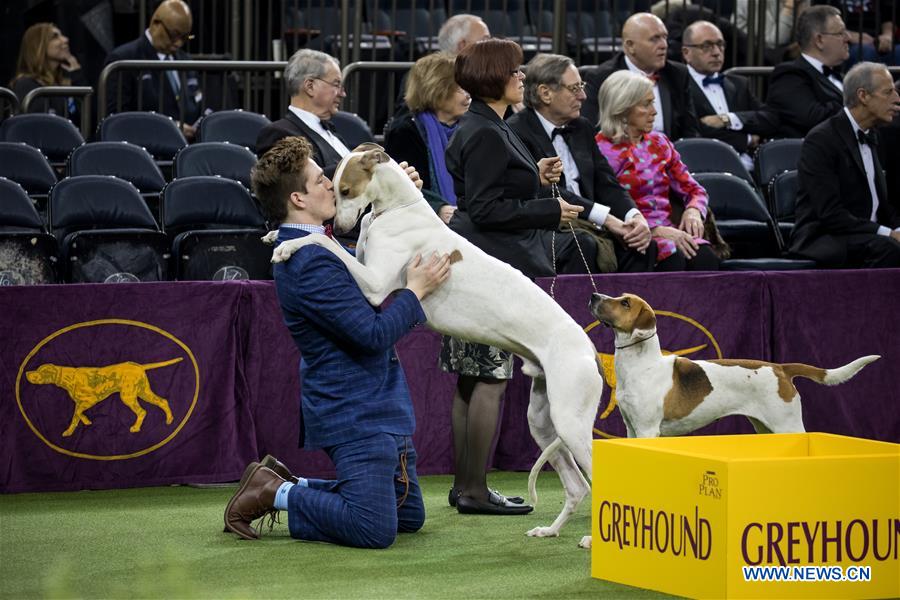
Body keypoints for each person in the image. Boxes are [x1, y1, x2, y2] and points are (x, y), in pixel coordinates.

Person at [224, 135, 452, 548]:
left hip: (378, 406)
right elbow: (372, 334)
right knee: (373, 530)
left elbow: (364, 259)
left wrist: (391, 189)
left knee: (408, 517)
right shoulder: (306, 261)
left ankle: (287, 482)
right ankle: (276, 493)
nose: (330, 183)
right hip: (355, 411)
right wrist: (415, 292)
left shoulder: (319, 246)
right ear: (297, 198)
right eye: (319, 181)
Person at [441, 39, 586, 516]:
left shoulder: (488, 125)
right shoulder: (485, 131)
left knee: (475, 375)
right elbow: (484, 208)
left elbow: (496, 187)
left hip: (478, 267)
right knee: (489, 378)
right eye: (516, 72)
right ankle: (476, 491)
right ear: (494, 77)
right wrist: (550, 209)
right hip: (490, 270)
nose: (522, 77)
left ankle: (467, 486)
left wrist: (534, 176)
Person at [507, 53, 656, 273]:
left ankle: (632, 307)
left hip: (591, 225)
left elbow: (606, 182)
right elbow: (550, 191)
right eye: (575, 88)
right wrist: (607, 219)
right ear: (545, 93)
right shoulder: (517, 131)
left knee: (643, 244)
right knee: (583, 244)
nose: (584, 96)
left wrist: (634, 217)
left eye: (582, 86)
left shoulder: (582, 127)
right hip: (549, 226)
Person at [596, 70, 723, 272]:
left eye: (653, 103)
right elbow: (605, 207)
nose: (654, 111)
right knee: (672, 257)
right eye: (646, 104)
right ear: (622, 109)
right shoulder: (601, 150)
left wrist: (693, 211)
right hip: (628, 235)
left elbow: (694, 190)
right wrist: (657, 231)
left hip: (671, 232)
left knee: (704, 258)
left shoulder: (660, 143)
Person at [790, 62, 900, 268]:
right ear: (863, 96)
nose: (897, 99)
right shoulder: (822, 139)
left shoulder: (875, 135)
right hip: (826, 237)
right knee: (889, 248)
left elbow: (883, 207)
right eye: (888, 92)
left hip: (866, 236)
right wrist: (888, 233)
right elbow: (831, 214)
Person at [581, 12, 700, 142]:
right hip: (621, 155)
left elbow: (690, 130)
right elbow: (592, 130)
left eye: (664, 37)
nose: (664, 45)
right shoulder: (602, 77)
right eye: (654, 39)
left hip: (670, 156)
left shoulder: (677, 74)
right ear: (630, 46)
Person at [681, 20, 781, 170]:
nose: (716, 52)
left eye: (720, 44)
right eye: (706, 46)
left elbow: (771, 118)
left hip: (750, 168)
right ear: (686, 53)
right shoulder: (680, 84)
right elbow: (696, 131)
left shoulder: (739, 83)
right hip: (706, 168)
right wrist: (746, 139)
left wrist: (729, 119)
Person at [384, 52, 470, 225]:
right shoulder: (406, 131)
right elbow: (403, 186)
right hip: (423, 222)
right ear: (437, 91)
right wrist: (438, 207)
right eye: (460, 88)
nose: (468, 95)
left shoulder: (470, 128)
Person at [103, 0, 201, 138]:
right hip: (145, 150)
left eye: (185, 37)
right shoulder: (123, 60)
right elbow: (116, 118)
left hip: (185, 150)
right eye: (174, 35)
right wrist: (169, 127)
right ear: (155, 24)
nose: (178, 43)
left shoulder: (186, 61)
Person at [256, 49, 349, 170]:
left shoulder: (332, 129)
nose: (343, 94)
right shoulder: (278, 134)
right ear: (310, 86)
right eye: (336, 84)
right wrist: (354, 165)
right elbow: (299, 183)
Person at [766, 5, 849, 138]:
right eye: (840, 33)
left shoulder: (841, 76)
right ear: (819, 40)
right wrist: (857, 105)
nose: (848, 38)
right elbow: (813, 118)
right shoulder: (789, 75)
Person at [11, 23, 86, 120]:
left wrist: (77, 76)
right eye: (55, 37)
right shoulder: (26, 84)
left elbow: (87, 119)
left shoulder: (66, 79)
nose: (65, 39)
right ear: (38, 45)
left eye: (61, 35)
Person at [822, 0, 900, 67]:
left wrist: (887, 36)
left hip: (878, 41)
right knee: (864, 52)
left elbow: (889, 17)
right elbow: (820, 21)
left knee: (898, 52)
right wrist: (849, 36)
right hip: (845, 41)